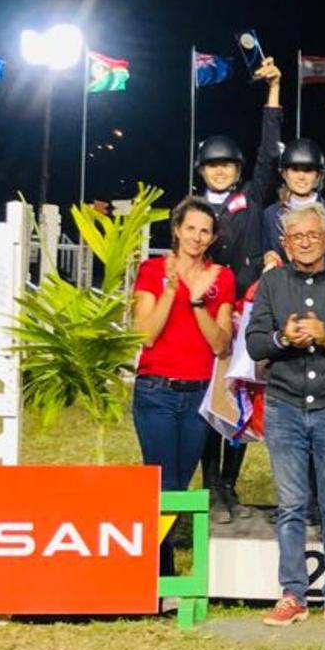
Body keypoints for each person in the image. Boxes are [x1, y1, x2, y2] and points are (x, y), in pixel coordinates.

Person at [245, 203, 325, 630]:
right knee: (291, 506)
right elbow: (255, 344)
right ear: (284, 243)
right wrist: (285, 337)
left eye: (312, 235)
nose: (304, 242)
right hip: (284, 407)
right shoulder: (272, 284)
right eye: (295, 237)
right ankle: (292, 595)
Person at [195, 56, 282, 523]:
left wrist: (272, 93)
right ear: (202, 170)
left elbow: (270, 153)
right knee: (211, 398)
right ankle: (209, 482)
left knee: (243, 393)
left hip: (249, 310)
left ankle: (230, 481)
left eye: (228, 165)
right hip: (209, 315)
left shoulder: (251, 196)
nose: (221, 171)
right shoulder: (192, 208)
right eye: (213, 166)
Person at [132, 197, 235, 575]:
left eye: (204, 230)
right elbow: (145, 334)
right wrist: (172, 291)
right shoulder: (151, 270)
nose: (196, 236)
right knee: (162, 483)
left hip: (198, 395)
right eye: (190, 228)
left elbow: (220, 344)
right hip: (156, 392)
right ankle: (160, 572)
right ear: (176, 230)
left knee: (179, 484)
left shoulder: (221, 278)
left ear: (212, 238)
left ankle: (160, 567)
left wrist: (196, 303)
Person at [259, 137, 325, 259]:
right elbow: (266, 253)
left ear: (318, 175)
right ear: (284, 174)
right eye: (295, 170)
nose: (301, 177)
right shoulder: (271, 214)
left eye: (308, 170)